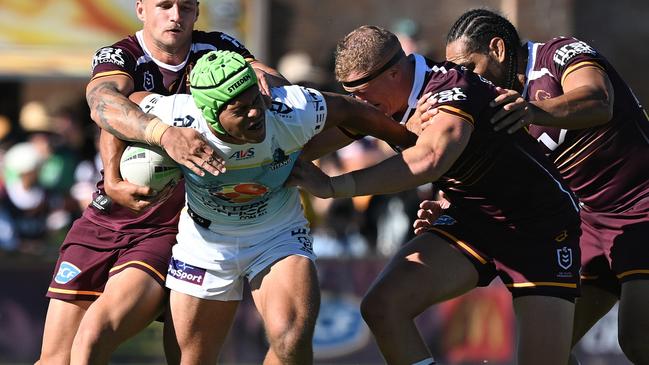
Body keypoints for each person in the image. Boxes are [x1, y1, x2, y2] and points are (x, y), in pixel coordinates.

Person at [289, 25, 582, 365]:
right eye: (354, 96)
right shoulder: (381, 99)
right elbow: (307, 150)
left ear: (395, 72)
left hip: (538, 227)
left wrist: (332, 186)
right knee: (384, 306)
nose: (361, 104)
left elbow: (429, 159)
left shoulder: (451, 87)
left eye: (364, 94)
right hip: (472, 220)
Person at [129, 50, 416, 364]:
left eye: (256, 100)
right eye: (241, 110)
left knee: (291, 337)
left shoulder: (291, 108)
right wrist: (133, 157)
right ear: (210, 116)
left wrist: (410, 139)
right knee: (190, 359)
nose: (255, 113)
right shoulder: (179, 116)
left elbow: (350, 109)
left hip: (277, 233)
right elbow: (115, 106)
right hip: (205, 242)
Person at [37, 1, 284, 364]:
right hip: (106, 218)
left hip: (169, 227)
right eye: (164, 5)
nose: (175, 15)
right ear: (140, 9)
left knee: (93, 339)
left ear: (197, 11)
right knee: (54, 359)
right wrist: (151, 144)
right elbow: (103, 102)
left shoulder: (216, 51)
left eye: (185, 7)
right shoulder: (121, 55)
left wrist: (265, 81)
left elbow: (268, 81)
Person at [440, 9, 649, 364]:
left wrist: (535, 112)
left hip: (641, 207)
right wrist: (447, 206)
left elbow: (599, 100)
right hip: (587, 226)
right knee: (547, 350)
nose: (465, 80)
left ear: (498, 49)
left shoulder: (557, 55)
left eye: (470, 68)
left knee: (637, 339)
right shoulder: (492, 108)